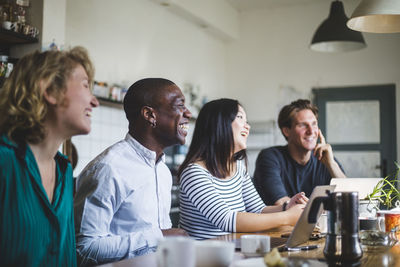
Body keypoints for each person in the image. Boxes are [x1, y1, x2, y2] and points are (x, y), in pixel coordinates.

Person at [74, 78, 192, 266]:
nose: (188, 113)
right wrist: (158, 236)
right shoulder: (108, 168)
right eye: (179, 106)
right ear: (149, 115)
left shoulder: (162, 170)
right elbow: (84, 249)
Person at [0, 47, 99, 266]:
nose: (94, 101)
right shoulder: (5, 163)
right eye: (84, 85)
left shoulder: (64, 170)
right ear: (50, 91)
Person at [178, 98, 307, 240]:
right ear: (219, 124)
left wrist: (286, 207)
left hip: (232, 252)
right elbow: (226, 220)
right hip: (203, 257)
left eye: (247, 121)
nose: (247, 126)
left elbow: (258, 210)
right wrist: (287, 217)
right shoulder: (194, 173)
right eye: (240, 117)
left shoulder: (239, 168)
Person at [253, 99, 345, 206]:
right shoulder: (270, 158)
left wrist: (331, 164)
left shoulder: (326, 159)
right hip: (280, 223)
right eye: (303, 125)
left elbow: (350, 199)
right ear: (286, 131)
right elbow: (282, 204)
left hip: (318, 221)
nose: (311, 131)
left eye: (314, 124)